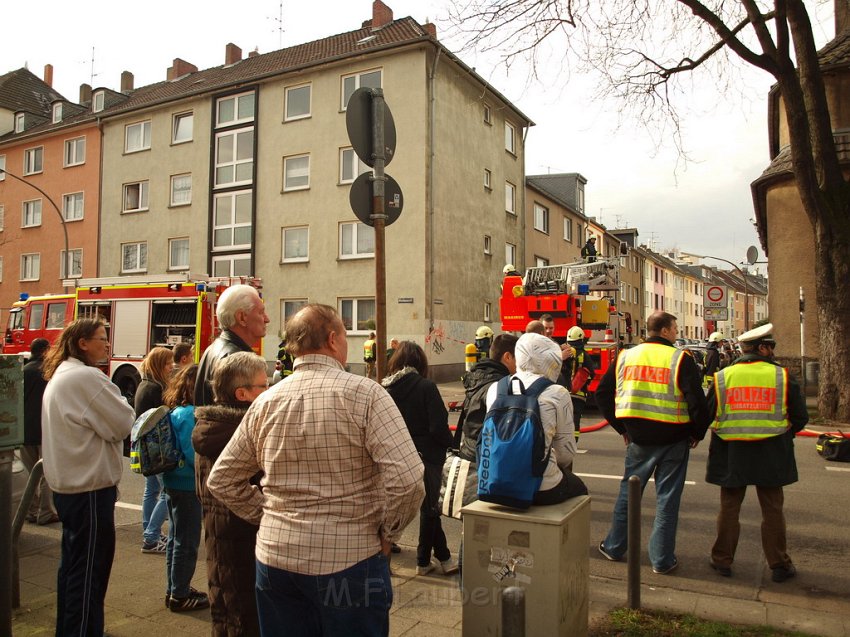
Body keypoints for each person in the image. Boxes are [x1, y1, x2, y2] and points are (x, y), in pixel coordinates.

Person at [206, 304, 424, 636]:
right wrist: (388, 533)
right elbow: (408, 480)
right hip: (349, 560)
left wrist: (270, 515)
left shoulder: (266, 400)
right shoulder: (366, 395)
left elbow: (222, 479)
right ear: (334, 339)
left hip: (275, 560)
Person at [40, 318, 136, 637]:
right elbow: (124, 422)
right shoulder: (86, 377)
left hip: (69, 492)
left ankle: (71, 629)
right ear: (82, 343)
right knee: (89, 577)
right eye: (101, 338)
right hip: (90, 494)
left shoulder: (61, 375)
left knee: (72, 571)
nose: (107, 344)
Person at [596, 311, 712, 574]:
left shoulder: (626, 356)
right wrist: (697, 433)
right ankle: (661, 560)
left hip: (638, 438)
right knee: (667, 499)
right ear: (665, 331)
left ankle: (614, 547)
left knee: (629, 493)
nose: (676, 332)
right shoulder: (680, 358)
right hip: (674, 438)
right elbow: (697, 402)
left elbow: (603, 394)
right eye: (675, 327)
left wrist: (621, 427)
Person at [705, 323, 808, 583]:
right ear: (762, 348)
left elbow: (707, 414)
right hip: (771, 452)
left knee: (729, 508)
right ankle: (779, 565)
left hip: (732, 451)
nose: (773, 352)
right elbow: (800, 417)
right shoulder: (782, 376)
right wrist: (784, 433)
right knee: (773, 510)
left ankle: (722, 561)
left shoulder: (723, 377)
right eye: (771, 347)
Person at [193, 351, 268, 636]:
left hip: (220, 535)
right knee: (243, 616)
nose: (268, 391)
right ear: (242, 393)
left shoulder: (211, 427)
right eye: (263, 386)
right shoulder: (238, 434)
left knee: (226, 611)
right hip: (241, 538)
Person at [485, 333, 588, 505]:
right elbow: (565, 455)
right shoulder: (557, 393)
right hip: (542, 486)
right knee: (580, 490)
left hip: (494, 481)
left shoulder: (496, 388)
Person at [383, 341, 458, 576]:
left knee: (426, 508)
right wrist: (452, 444)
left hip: (398, 455)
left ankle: (440, 557)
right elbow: (438, 426)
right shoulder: (426, 387)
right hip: (428, 455)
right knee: (430, 508)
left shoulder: (386, 389)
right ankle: (424, 561)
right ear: (420, 362)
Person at [161, 364, 209, 612]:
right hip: (188, 485)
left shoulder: (176, 411)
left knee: (175, 538)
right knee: (187, 542)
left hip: (172, 482)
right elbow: (194, 455)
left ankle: (174, 588)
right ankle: (179, 595)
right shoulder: (191, 415)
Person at [194, 284, 269, 407]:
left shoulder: (213, 349)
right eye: (261, 312)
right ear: (241, 317)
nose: (267, 319)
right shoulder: (235, 359)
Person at [135, 346, 173, 554]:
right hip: (157, 447)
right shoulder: (156, 388)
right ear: (160, 365)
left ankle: (150, 532)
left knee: (152, 490)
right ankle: (151, 536)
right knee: (167, 492)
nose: (171, 367)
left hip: (146, 446)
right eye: (168, 364)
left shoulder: (144, 384)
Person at [458, 334, 518, 463]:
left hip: (468, 452)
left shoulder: (478, 375)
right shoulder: (500, 386)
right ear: (507, 357)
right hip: (483, 459)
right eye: (518, 358)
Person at [21, 338, 59, 525]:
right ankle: (46, 512)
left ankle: (30, 511)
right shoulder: (48, 373)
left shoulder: (23, 371)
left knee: (29, 474)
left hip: (24, 430)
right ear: (45, 351)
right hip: (45, 429)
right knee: (46, 473)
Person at [563, 326, 597, 440]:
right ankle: (574, 442)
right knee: (575, 419)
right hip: (579, 394)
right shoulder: (584, 355)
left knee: (563, 419)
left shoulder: (564, 353)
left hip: (564, 393)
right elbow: (592, 373)